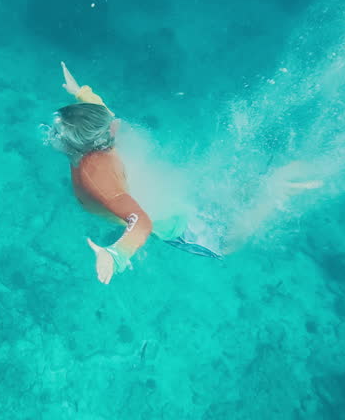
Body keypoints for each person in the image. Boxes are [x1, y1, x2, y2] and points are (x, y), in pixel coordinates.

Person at [43, 62, 225, 284]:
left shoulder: (96, 178)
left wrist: (116, 255)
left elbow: (142, 222)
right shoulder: (103, 131)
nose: (50, 135)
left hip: (179, 227)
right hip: (166, 193)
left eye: (58, 134)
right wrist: (80, 92)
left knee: (225, 243)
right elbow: (100, 110)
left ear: (79, 147)